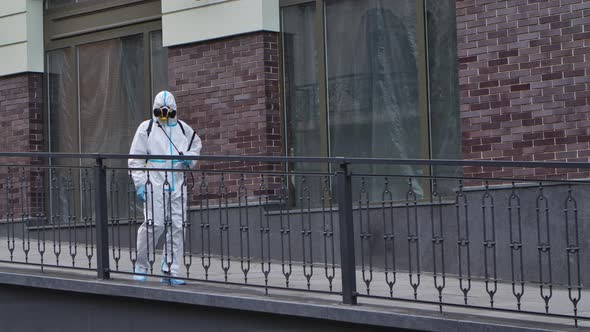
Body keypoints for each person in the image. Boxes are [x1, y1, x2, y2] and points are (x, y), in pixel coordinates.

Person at [128, 90, 202, 285]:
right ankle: (141, 265)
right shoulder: (147, 128)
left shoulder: (183, 129)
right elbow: (135, 159)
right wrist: (141, 184)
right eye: (160, 110)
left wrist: (188, 160)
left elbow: (196, 146)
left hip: (177, 182)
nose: (163, 114)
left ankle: (170, 270)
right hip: (155, 183)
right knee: (154, 224)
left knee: (178, 227)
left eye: (167, 111)